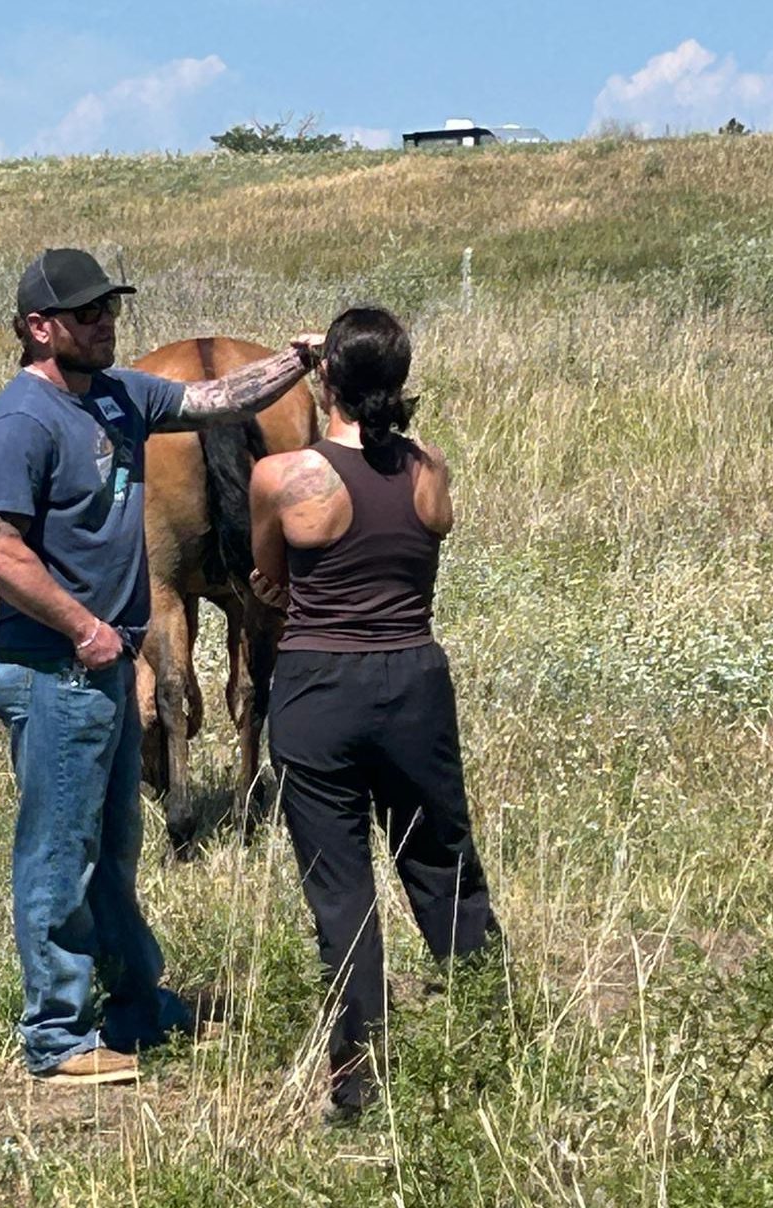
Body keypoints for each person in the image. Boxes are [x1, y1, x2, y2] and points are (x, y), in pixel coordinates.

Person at [0, 247, 323, 1086]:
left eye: (109, 309)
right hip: (53, 669)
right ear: (37, 327)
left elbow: (216, 398)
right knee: (61, 855)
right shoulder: (20, 421)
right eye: (87, 313)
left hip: (104, 668)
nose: (105, 323)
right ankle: (56, 1037)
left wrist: (297, 363)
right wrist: (88, 628)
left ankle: (135, 1003)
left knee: (116, 847)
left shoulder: (122, 393)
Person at [249, 306, 498, 1117]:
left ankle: (356, 1081)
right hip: (415, 681)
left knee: (341, 889)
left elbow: (269, 579)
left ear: (326, 381)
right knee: (443, 863)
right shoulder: (431, 466)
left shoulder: (286, 478)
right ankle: (496, 1034)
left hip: (320, 686)